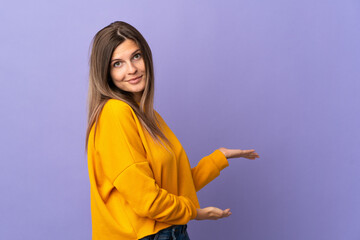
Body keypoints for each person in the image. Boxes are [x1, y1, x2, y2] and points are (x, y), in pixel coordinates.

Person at [85, 21, 260, 240]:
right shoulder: (115, 113)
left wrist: (218, 158)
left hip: (168, 233)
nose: (131, 69)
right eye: (117, 63)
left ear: (146, 57)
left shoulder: (148, 116)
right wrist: (194, 213)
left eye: (136, 56)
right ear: (105, 72)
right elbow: (146, 199)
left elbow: (175, 185)